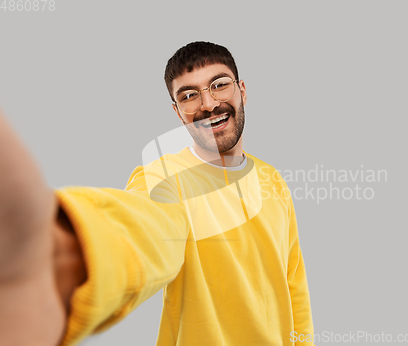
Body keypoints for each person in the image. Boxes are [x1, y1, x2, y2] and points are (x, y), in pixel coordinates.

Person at [0, 41, 314, 345]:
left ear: (241, 90)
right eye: (190, 95)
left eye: (219, 85)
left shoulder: (273, 179)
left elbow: (293, 283)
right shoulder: (165, 178)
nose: (207, 103)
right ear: (178, 112)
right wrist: (65, 252)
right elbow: (145, 225)